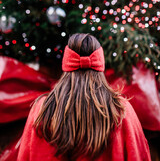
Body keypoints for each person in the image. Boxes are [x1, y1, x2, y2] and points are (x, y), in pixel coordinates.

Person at [17, 33, 151, 161]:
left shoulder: (42, 108)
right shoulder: (121, 109)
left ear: (66, 64)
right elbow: (138, 155)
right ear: (100, 64)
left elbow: (25, 155)